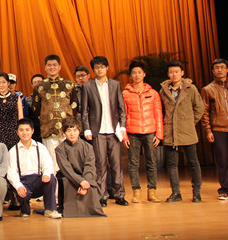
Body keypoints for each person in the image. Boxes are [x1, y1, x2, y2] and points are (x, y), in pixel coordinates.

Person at [81, 56, 129, 207]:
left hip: (114, 130)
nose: (99, 69)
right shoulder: (87, 86)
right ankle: (102, 196)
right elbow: (84, 111)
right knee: (100, 165)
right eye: (96, 67)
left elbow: (121, 108)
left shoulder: (115, 84)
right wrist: (87, 128)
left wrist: (122, 127)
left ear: (107, 68)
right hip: (98, 131)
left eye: (102, 66)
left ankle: (119, 194)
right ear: (93, 70)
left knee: (116, 165)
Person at [159, 60, 204, 203]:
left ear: (182, 73)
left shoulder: (191, 89)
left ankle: (196, 193)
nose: (174, 74)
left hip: (187, 131)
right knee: (172, 164)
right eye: (171, 72)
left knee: (193, 163)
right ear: (168, 74)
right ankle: (176, 193)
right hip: (170, 132)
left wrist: (190, 122)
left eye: (176, 72)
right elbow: (161, 110)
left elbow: (199, 108)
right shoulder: (163, 91)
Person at [201, 58, 228, 200]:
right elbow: (205, 112)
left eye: (222, 67)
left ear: (227, 70)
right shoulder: (208, 89)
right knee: (222, 161)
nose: (219, 70)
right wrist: (208, 130)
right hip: (218, 129)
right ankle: (225, 190)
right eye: (217, 68)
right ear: (213, 71)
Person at [122, 60, 163, 203]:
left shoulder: (153, 93)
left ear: (144, 74)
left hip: (150, 131)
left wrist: (159, 134)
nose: (137, 75)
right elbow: (122, 115)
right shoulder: (125, 93)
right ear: (130, 75)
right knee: (133, 163)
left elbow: (158, 114)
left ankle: (152, 192)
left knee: (152, 162)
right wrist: (124, 135)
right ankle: (136, 192)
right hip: (132, 132)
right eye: (134, 73)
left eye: (139, 72)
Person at [30, 55, 78, 169]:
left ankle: (69, 181)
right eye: (49, 65)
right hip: (48, 130)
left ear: (60, 67)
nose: (52, 67)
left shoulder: (69, 85)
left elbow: (74, 106)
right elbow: (36, 109)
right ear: (45, 67)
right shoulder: (40, 87)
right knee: (51, 163)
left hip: (67, 130)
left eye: (54, 65)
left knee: (69, 161)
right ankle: (53, 182)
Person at [7, 118, 61, 218]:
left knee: (51, 178)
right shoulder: (13, 151)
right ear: (17, 132)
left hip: (38, 180)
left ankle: (50, 210)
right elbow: (11, 172)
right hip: (23, 182)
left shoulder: (40, 147)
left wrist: (46, 174)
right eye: (21, 130)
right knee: (22, 193)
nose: (24, 133)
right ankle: (25, 210)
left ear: (32, 131)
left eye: (27, 130)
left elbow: (48, 164)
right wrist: (18, 186)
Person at [55, 117, 106, 218]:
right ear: (64, 132)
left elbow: (90, 166)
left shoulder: (88, 147)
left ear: (79, 131)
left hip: (85, 177)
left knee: (92, 183)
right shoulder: (60, 149)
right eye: (68, 131)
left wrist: (86, 182)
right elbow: (66, 169)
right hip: (70, 177)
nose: (72, 134)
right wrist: (80, 181)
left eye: (74, 130)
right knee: (67, 182)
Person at [0, 72, 23, 149]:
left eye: (3, 82)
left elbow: (21, 118)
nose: (1, 85)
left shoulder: (16, 98)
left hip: (15, 134)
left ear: (8, 83)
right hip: (1, 135)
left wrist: (21, 133)